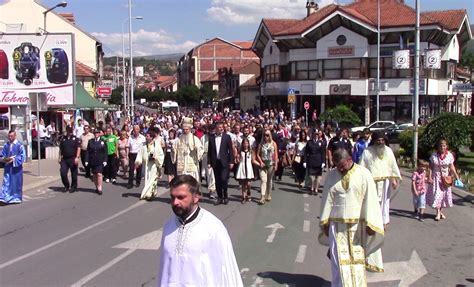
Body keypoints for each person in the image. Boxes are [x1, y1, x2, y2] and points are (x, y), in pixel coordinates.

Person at [158, 175, 243, 286]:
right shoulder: (168, 227)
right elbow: (164, 271)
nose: (175, 203)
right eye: (172, 197)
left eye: (181, 197)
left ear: (196, 197)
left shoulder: (213, 228)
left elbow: (227, 269)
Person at [319, 148, 384, 287]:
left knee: (357, 261)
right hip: (336, 226)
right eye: (338, 167)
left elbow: (371, 200)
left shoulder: (364, 174)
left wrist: (371, 224)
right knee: (338, 262)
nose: (340, 170)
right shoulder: (332, 176)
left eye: (342, 166)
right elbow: (327, 199)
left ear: (350, 160)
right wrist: (325, 222)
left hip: (358, 227)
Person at [359, 131, 401, 229]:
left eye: (382, 140)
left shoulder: (389, 151)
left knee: (385, 202)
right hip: (372, 182)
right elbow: (362, 168)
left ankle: (384, 222)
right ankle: (373, 222)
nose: (381, 142)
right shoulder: (367, 152)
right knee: (373, 202)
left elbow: (392, 165)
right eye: (378, 140)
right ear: (374, 141)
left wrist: (394, 179)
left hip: (385, 181)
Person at [426, 139, 460, 221]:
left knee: (443, 196)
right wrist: (429, 177)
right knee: (437, 194)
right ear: (438, 147)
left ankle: (440, 211)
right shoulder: (434, 155)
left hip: (446, 178)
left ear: (446, 146)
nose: (442, 147)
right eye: (441, 146)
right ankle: (437, 212)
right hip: (436, 177)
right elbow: (431, 167)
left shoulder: (449, 155)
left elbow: (452, 167)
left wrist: (456, 176)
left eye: (444, 146)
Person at [208, 122, 234, 205]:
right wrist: (209, 162)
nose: (221, 128)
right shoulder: (211, 137)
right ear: (216, 128)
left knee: (223, 179)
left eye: (222, 127)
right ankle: (220, 197)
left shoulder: (227, 137)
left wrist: (231, 161)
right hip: (215, 162)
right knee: (217, 181)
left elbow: (231, 150)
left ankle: (225, 196)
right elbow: (210, 151)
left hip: (224, 162)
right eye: (219, 127)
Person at [135, 130, 164, 200]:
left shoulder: (156, 145)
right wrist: (138, 161)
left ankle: (148, 194)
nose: (146, 137)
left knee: (152, 179)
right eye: (146, 136)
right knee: (147, 179)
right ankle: (152, 192)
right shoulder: (143, 144)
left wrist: (156, 158)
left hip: (153, 165)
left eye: (147, 136)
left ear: (151, 137)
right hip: (146, 165)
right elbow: (140, 153)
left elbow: (161, 155)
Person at [172, 117, 204, 181]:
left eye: (187, 129)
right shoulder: (178, 139)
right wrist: (173, 150)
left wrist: (197, 150)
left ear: (190, 129)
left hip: (191, 164)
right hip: (182, 165)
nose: (185, 131)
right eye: (184, 129)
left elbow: (201, 149)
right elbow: (173, 150)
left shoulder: (195, 139)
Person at [0, 130, 26, 204]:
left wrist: (14, 159)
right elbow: (2, 154)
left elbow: (22, 156)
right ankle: (5, 197)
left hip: (16, 169)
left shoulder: (19, 145)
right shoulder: (6, 145)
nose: (10, 137)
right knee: (6, 181)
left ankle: (16, 197)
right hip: (8, 167)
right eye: (9, 136)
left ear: (15, 136)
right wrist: (3, 158)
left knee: (16, 183)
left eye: (11, 136)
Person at [255, 130, 278, 205]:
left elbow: (276, 154)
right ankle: (262, 197)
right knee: (263, 180)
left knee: (269, 180)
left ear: (270, 135)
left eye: (267, 135)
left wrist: (276, 163)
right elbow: (257, 154)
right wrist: (261, 162)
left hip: (271, 164)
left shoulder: (273, 143)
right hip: (263, 165)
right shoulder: (261, 144)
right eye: (264, 135)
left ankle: (268, 194)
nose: (266, 137)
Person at [85, 129, 108, 195]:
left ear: (100, 134)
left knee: (99, 174)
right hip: (92, 160)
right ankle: (96, 186)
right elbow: (88, 152)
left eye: (98, 133)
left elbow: (105, 152)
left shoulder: (103, 141)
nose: (96, 134)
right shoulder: (90, 141)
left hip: (100, 160)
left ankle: (100, 188)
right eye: (95, 133)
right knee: (94, 174)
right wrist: (86, 160)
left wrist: (105, 160)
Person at [58, 126, 81, 193]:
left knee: (74, 173)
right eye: (68, 130)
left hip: (73, 158)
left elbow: (78, 148)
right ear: (66, 130)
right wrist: (59, 157)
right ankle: (66, 185)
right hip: (64, 159)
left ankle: (74, 186)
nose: (69, 132)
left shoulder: (76, 139)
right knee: (63, 172)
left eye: (70, 130)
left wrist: (77, 157)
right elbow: (60, 149)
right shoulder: (63, 139)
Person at [305, 129, 326, 195]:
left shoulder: (321, 142)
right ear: (312, 134)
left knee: (318, 177)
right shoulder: (309, 142)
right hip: (311, 160)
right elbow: (306, 152)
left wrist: (323, 162)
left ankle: (316, 189)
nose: (316, 135)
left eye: (317, 134)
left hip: (319, 161)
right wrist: (304, 161)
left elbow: (323, 153)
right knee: (311, 177)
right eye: (315, 134)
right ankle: (311, 188)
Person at [235, 138, 254, 203]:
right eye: (244, 143)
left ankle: (248, 192)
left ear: (248, 144)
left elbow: (253, 160)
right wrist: (237, 158)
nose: (245, 145)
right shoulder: (240, 152)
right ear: (242, 144)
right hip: (242, 168)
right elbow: (238, 159)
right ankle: (243, 197)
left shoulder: (251, 151)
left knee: (248, 183)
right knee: (243, 184)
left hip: (248, 168)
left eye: (246, 143)